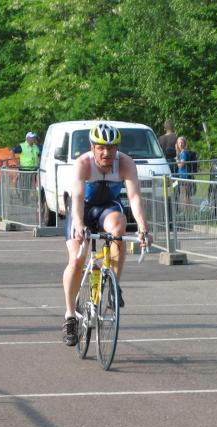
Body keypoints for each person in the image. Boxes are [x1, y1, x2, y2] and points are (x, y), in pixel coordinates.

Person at [61, 123, 152, 346]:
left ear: (117, 148)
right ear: (92, 147)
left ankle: (113, 285)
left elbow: (135, 197)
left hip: (108, 209)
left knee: (119, 229)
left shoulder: (125, 163)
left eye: (111, 148)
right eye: (101, 147)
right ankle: (70, 315)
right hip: (83, 210)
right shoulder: (84, 163)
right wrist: (79, 225)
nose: (106, 153)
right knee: (77, 259)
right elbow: (77, 197)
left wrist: (143, 228)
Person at [175, 136, 194, 213]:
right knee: (185, 194)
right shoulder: (180, 153)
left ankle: (187, 210)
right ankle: (189, 210)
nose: (180, 144)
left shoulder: (184, 153)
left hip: (185, 176)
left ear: (184, 144)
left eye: (182, 143)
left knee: (185, 194)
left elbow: (181, 165)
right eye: (179, 143)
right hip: (182, 176)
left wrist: (176, 160)